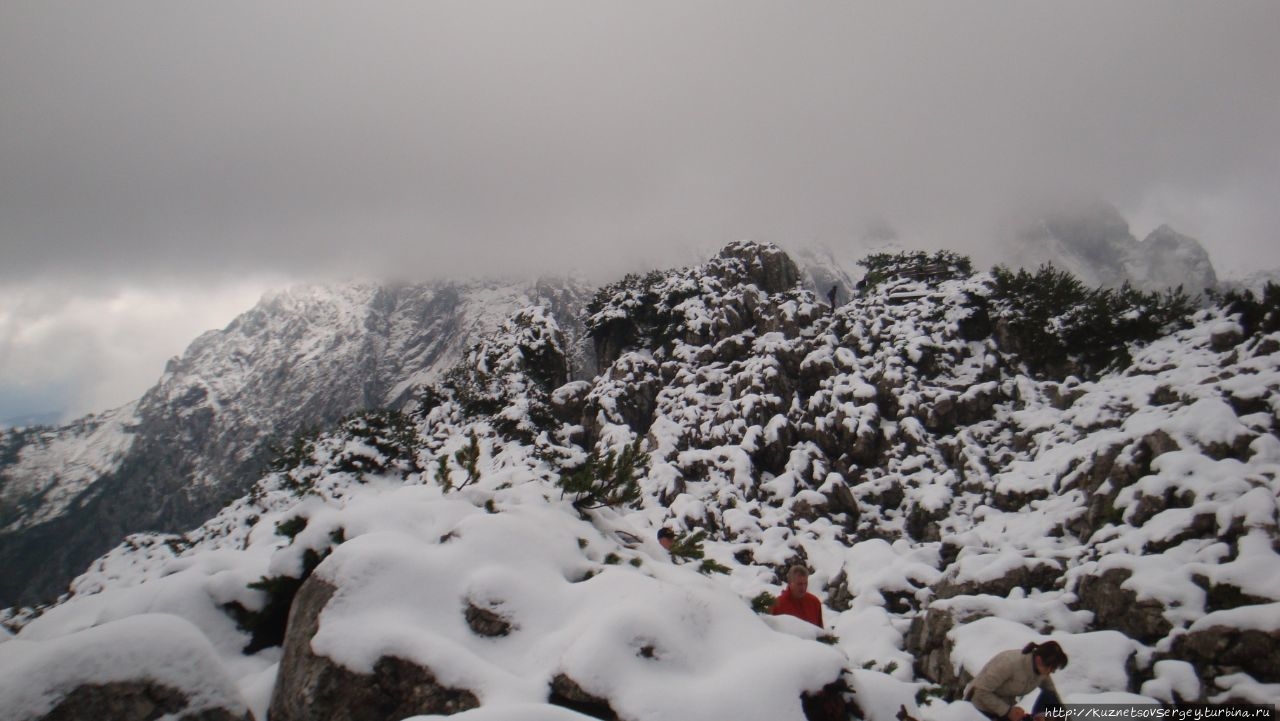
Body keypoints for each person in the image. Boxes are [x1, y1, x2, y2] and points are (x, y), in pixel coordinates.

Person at [966, 641, 1069, 721]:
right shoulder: (1009, 663)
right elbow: (980, 691)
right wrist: (1007, 711)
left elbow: (1052, 694)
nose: (1051, 672)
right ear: (1038, 659)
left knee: (1051, 698)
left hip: (1007, 707)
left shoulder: (1042, 671)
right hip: (980, 706)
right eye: (1050, 668)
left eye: (1054, 669)